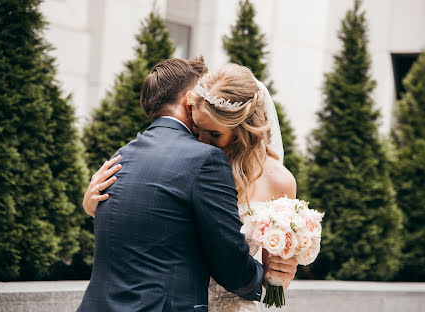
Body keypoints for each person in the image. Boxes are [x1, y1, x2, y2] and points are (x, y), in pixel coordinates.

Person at [78, 58, 298, 312]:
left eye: (214, 134)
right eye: (197, 128)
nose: (202, 140)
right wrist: (95, 208)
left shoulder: (278, 181)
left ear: (242, 128)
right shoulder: (188, 161)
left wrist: (278, 279)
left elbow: (274, 275)